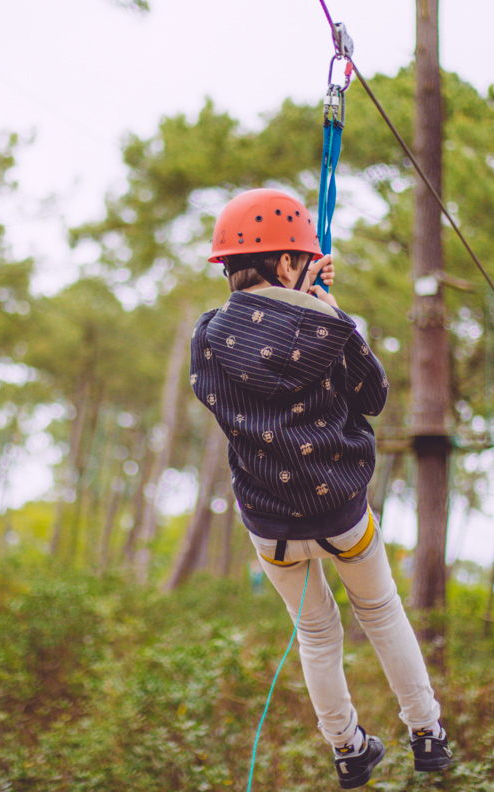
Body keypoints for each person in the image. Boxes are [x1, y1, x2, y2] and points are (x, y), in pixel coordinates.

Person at [189, 188, 451, 789]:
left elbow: (236, 362)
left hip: (270, 527)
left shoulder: (206, 337)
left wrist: (300, 304)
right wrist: (329, 313)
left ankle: (347, 748)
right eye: (300, 260)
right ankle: (426, 731)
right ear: (288, 263)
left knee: (315, 633)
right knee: (381, 612)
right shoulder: (327, 329)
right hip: (341, 514)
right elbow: (374, 397)